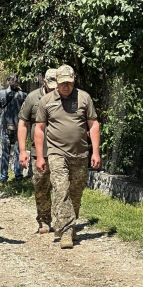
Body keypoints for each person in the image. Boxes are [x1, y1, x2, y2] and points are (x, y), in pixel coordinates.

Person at [34, 65, 101, 249]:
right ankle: (66, 231)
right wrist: (40, 157)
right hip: (56, 153)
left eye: (69, 83)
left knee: (76, 193)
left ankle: (69, 225)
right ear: (56, 82)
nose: (66, 86)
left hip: (80, 153)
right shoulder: (46, 101)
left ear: (73, 82)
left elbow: (93, 125)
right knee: (61, 190)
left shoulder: (84, 98)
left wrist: (95, 152)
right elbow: (39, 129)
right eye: (62, 83)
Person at [18, 69, 57, 234]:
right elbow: (23, 123)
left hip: (61, 150)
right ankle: (44, 220)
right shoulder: (33, 98)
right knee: (41, 186)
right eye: (51, 86)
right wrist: (22, 151)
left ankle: (64, 221)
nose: (54, 89)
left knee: (63, 188)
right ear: (44, 82)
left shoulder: (66, 97)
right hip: (39, 151)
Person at [0, 74, 27, 183]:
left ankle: (3, 177)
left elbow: (0, 106)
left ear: (8, 82)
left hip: (6, 126)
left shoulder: (1, 94)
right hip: (19, 126)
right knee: (19, 151)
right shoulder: (23, 95)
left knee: (5, 152)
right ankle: (18, 175)